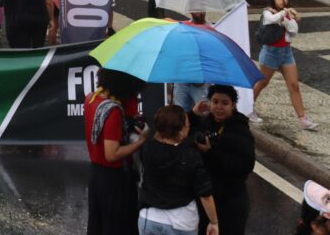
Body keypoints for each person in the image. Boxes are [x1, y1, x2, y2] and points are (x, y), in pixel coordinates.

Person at [84, 68, 148, 235]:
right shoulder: (113, 111)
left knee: (97, 226)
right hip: (115, 180)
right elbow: (112, 154)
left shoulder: (91, 98)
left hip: (95, 176)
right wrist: (141, 141)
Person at [138, 105, 219, 235]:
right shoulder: (191, 156)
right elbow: (205, 194)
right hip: (182, 222)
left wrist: (182, 115)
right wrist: (214, 222)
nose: (189, 126)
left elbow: (163, 143)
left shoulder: (147, 149)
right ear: (181, 130)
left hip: (149, 219)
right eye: (187, 124)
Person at [190, 85, 255, 234]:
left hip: (231, 204)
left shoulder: (240, 130)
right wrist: (193, 114)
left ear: (233, 105)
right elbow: (179, 133)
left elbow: (246, 165)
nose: (219, 107)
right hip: (206, 202)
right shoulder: (205, 123)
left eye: (225, 103)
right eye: (215, 102)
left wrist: (211, 153)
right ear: (209, 103)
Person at [251, 0, 317, 129]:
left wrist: (286, 18)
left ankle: (303, 119)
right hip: (270, 53)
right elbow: (271, 19)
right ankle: (247, 109)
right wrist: (283, 14)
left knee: (294, 85)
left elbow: (293, 30)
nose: (284, 1)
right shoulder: (267, 11)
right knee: (262, 83)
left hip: (286, 53)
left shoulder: (286, 13)